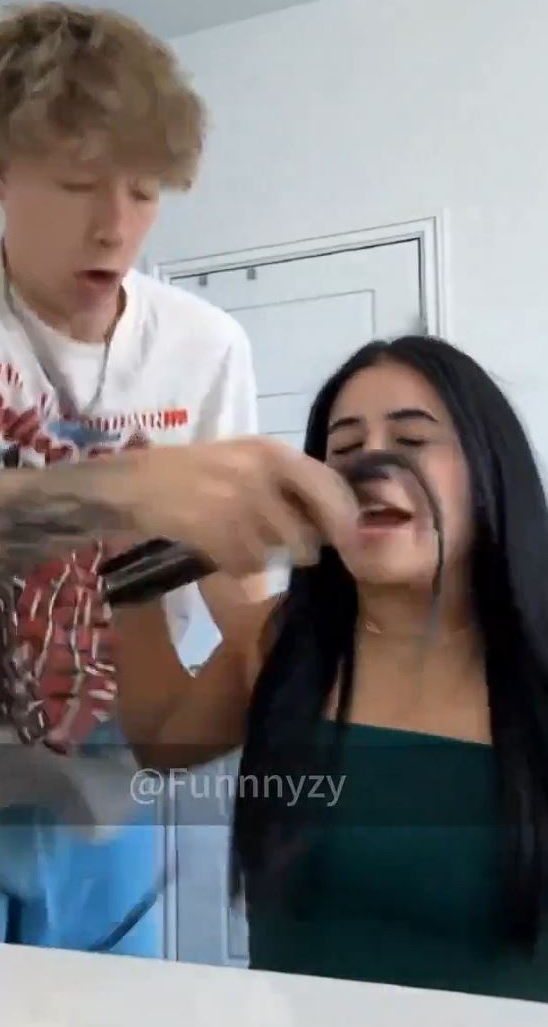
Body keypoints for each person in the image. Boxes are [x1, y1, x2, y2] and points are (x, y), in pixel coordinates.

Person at [0, 1, 355, 954]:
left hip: (112, 813)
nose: (116, 228)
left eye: (144, 190)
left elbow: (238, 608)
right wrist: (131, 489)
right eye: (78, 184)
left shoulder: (207, 347)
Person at [115, 334, 548, 1002]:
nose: (369, 465)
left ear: (490, 466)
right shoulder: (278, 640)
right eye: (342, 450)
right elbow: (160, 741)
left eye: (411, 439)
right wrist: (130, 560)